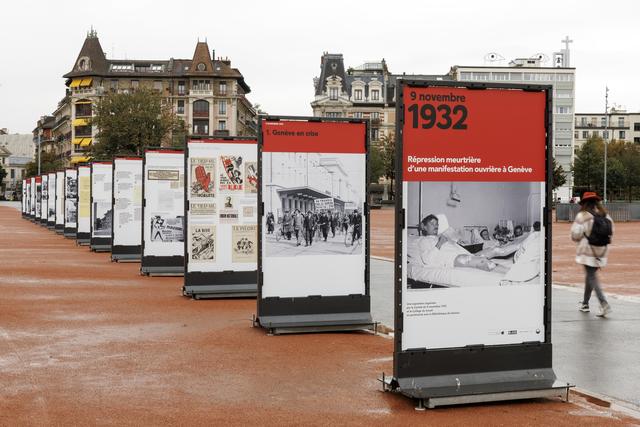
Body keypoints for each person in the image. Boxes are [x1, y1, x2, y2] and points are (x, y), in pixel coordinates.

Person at [571, 192, 613, 317]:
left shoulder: (582, 216)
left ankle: (604, 303)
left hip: (588, 250)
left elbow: (575, 234)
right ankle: (585, 303)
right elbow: (611, 232)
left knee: (592, 277)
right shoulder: (605, 215)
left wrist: (581, 238)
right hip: (602, 250)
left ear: (584, 203)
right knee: (590, 275)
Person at [418, 214, 508, 273]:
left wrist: (455, 242)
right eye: (432, 223)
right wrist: (439, 243)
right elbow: (427, 260)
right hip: (452, 260)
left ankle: (520, 249)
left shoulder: (443, 237)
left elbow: (457, 247)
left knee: (495, 250)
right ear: (424, 226)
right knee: (484, 262)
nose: (436, 226)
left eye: (437, 224)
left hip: (464, 254)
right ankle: (513, 275)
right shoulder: (424, 241)